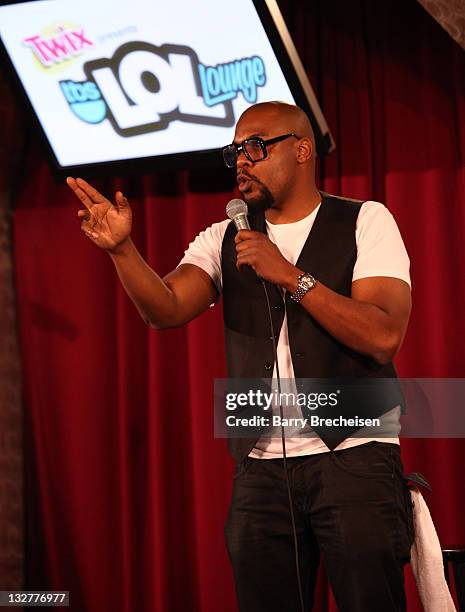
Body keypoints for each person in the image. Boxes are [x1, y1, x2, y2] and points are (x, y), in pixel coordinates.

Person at [67, 101, 414, 612]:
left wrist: (292, 276)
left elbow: (383, 335)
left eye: (255, 146)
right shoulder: (223, 236)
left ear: (300, 150)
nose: (242, 162)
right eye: (235, 152)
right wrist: (123, 250)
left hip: (355, 457)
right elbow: (164, 309)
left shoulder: (365, 220)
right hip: (261, 470)